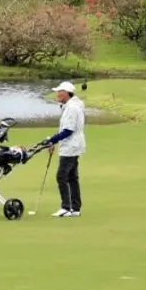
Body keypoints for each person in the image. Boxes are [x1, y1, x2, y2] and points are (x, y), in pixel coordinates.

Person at [41, 81, 86, 217]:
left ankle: (66, 207)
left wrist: (52, 140)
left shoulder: (72, 108)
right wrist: (53, 141)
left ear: (66, 93)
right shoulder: (71, 105)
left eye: (60, 92)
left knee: (62, 176)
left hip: (71, 146)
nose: (57, 94)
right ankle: (75, 207)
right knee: (72, 177)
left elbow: (68, 130)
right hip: (73, 145)